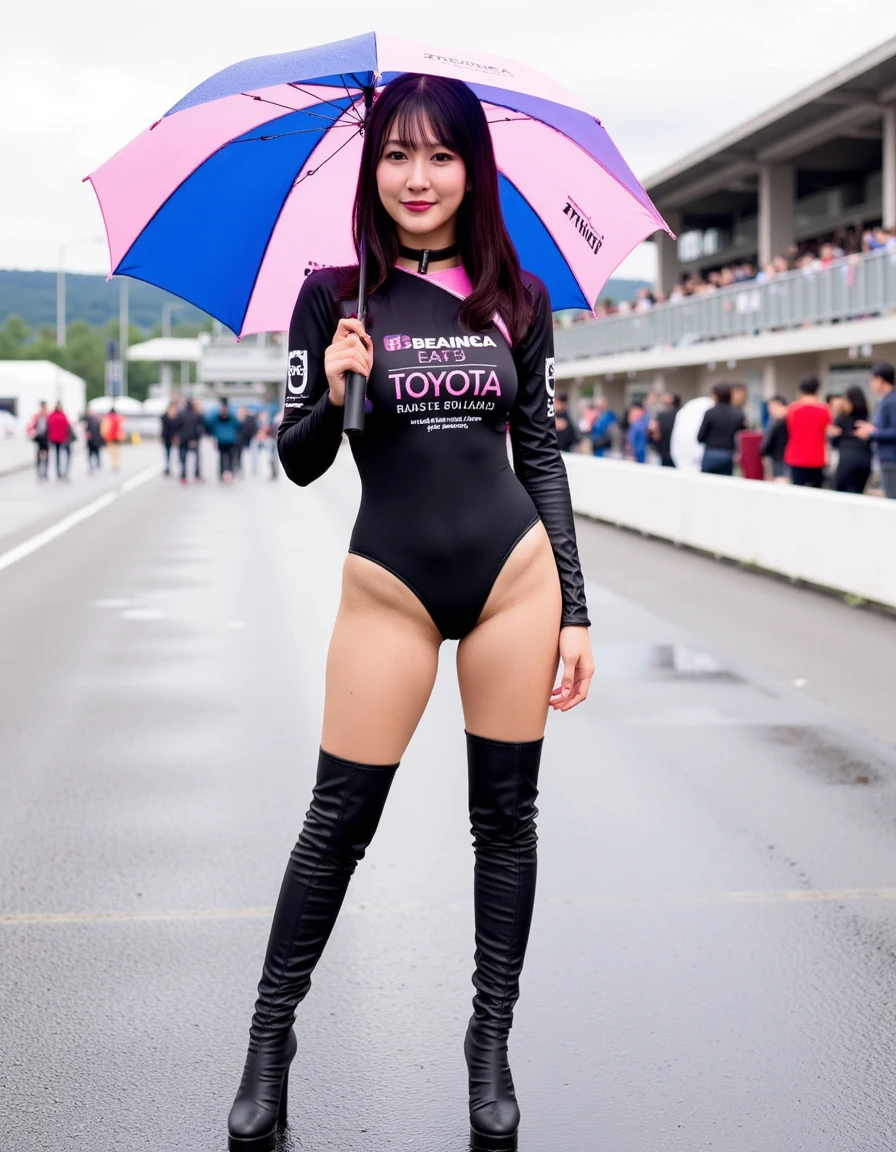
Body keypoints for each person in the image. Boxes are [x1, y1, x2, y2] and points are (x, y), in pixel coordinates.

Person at [226, 73, 594, 1152]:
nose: (417, 176)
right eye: (395, 154)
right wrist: (332, 386)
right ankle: (265, 1041)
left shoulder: (514, 297)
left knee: (505, 823)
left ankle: (488, 1046)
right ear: (369, 168)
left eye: (440, 155)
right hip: (386, 586)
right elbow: (297, 466)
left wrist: (572, 607)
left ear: (472, 168)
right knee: (335, 824)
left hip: (511, 582)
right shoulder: (329, 296)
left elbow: (539, 455)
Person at [855, 361, 896, 498]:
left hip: (891, 459)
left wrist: (872, 432)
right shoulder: (885, 400)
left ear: (879, 379)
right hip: (886, 459)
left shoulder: (891, 401)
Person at [785, 375, 830, 487]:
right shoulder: (825, 409)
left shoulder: (792, 409)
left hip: (796, 456)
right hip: (817, 457)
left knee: (798, 493)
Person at [697, 383, 746, 475]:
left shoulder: (710, 413)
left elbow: (700, 437)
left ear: (716, 396)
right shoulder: (738, 414)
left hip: (710, 454)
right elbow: (742, 437)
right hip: (728, 455)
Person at [207, 397, 239, 481]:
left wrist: (214, 435)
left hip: (221, 439)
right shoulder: (232, 413)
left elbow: (210, 424)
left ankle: (222, 473)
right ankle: (230, 472)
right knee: (230, 457)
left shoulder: (216, 414)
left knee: (222, 457)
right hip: (231, 439)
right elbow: (238, 425)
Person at [174, 399, 204, 485]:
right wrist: (197, 437)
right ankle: (197, 474)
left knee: (183, 458)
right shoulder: (196, 415)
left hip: (183, 440)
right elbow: (201, 427)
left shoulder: (181, 414)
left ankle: (183, 476)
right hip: (193, 440)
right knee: (197, 458)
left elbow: (176, 426)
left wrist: (177, 436)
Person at [759, 395, 789, 481]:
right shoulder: (772, 420)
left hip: (782, 458)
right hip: (774, 458)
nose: (770, 409)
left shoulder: (781, 421)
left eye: (772, 406)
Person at [649, 392, 680, 467]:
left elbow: (654, 432)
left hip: (666, 451)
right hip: (673, 450)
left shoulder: (662, 415)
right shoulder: (681, 414)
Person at [47, 401, 72, 481]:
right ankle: (59, 472)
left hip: (61, 439)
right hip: (58, 439)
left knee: (62, 456)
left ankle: (63, 472)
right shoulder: (57, 415)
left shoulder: (57, 415)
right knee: (59, 456)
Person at [27, 401, 50, 480]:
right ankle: (39, 472)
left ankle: (45, 472)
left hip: (46, 439)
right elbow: (31, 426)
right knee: (39, 456)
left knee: (46, 456)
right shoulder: (37, 416)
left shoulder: (48, 416)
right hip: (39, 439)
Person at [100, 407, 126, 471]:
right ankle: (116, 463)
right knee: (117, 451)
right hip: (118, 437)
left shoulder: (107, 418)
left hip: (109, 437)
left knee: (111, 451)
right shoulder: (120, 418)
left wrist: (103, 435)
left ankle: (113, 464)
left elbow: (104, 428)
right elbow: (123, 427)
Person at [236, 405, 259, 476]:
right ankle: (240, 470)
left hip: (249, 440)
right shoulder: (237, 420)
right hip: (240, 441)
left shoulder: (250, 419)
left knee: (251, 456)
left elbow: (254, 428)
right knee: (240, 456)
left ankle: (252, 471)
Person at [161, 401, 179, 475]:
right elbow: (163, 429)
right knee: (167, 453)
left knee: (177, 453)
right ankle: (168, 467)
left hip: (175, 437)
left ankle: (177, 467)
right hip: (167, 437)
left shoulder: (178, 417)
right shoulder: (164, 417)